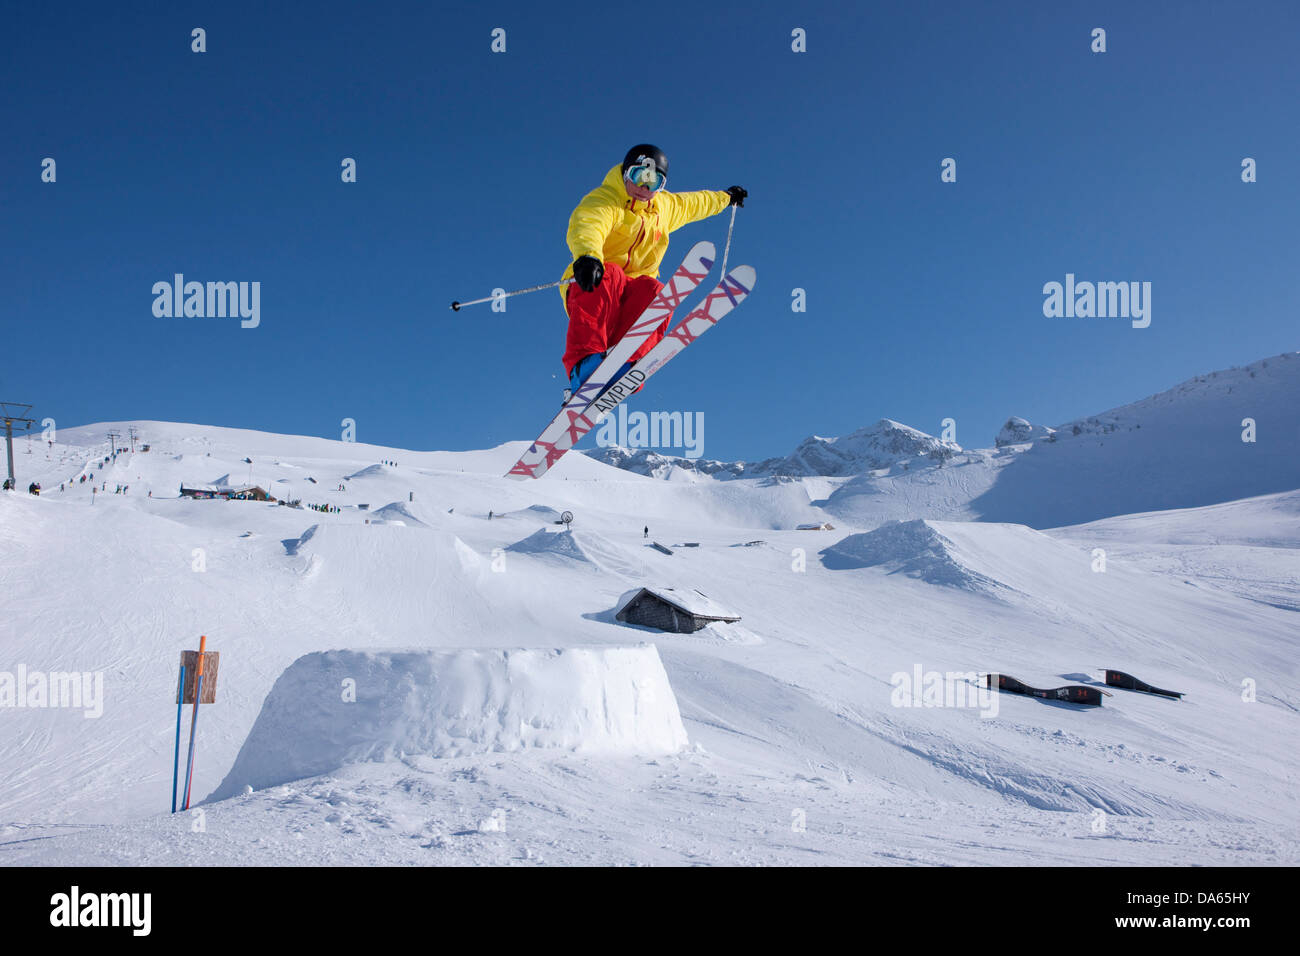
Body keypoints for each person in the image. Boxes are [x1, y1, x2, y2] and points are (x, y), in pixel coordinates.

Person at [560, 144, 746, 399]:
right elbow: (588, 223)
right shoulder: (606, 199)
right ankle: (585, 367)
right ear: (626, 173)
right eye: (640, 176)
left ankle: (625, 364)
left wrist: (726, 198)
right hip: (593, 284)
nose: (646, 187)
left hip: (631, 299)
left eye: (655, 181)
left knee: (655, 291)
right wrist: (588, 256)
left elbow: (696, 203)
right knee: (611, 273)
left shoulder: (665, 207)